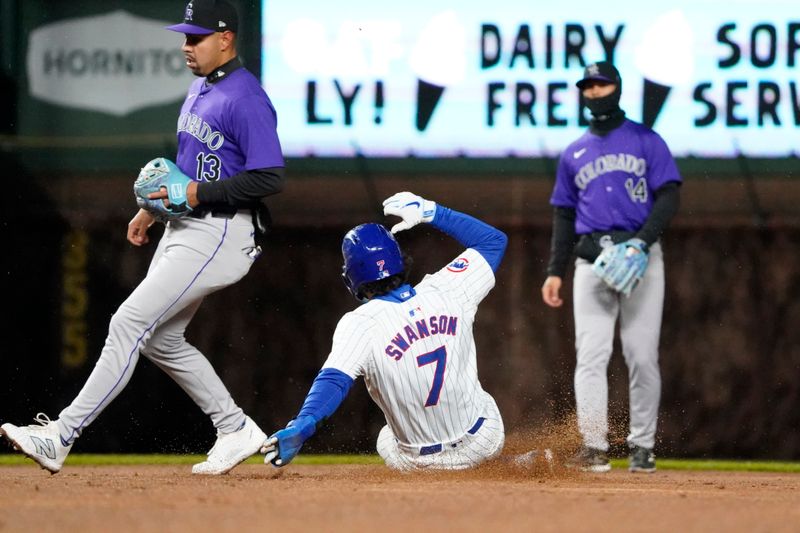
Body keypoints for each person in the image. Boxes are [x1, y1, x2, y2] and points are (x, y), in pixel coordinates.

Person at [0, 0, 284, 475]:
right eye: (185, 36)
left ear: (226, 39)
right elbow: (189, 166)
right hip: (187, 224)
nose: (186, 46)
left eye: (196, 38)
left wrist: (195, 192)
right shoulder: (199, 89)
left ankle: (60, 435)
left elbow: (269, 178)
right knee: (161, 340)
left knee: (128, 323)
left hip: (222, 229)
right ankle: (234, 428)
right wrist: (149, 210)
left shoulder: (246, 97)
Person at [261, 192, 507, 471]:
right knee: (480, 404)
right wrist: (431, 211)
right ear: (400, 260)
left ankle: (462, 469)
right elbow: (493, 241)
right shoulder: (449, 289)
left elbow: (333, 380)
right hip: (483, 441)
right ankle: (505, 466)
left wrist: (302, 426)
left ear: (350, 278)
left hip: (420, 463)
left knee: (386, 437)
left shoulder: (360, 323)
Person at [541, 61, 681, 473]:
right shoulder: (574, 152)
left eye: (601, 85)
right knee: (591, 356)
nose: (594, 91)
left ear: (616, 88)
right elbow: (564, 216)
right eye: (588, 86)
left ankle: (642, 446)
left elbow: (669, 195)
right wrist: (554, 270)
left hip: (641, 258)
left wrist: (643, 240)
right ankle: (594, 446)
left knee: (641, 355)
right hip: (592, 261)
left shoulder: (645, 139)